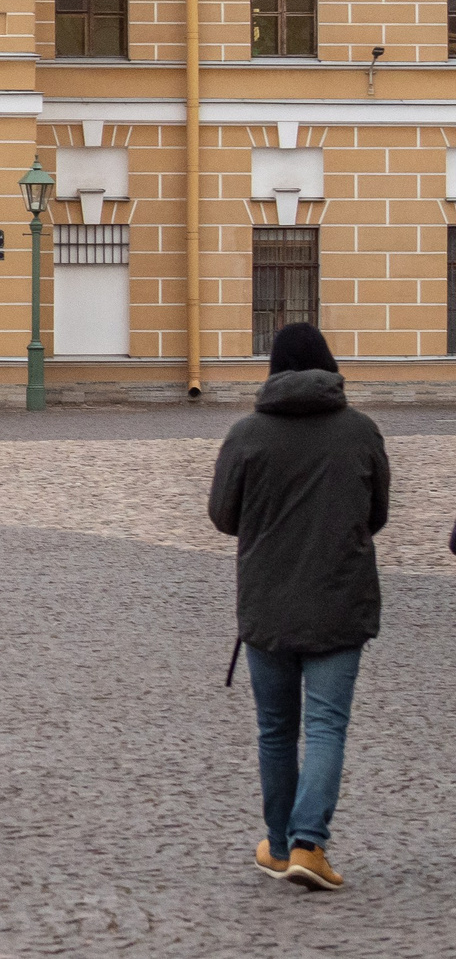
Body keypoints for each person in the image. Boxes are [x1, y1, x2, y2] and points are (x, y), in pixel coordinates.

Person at [208, 322, 390, 892]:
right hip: (339, 601)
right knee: (327, 724)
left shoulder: (247, 434)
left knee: (276, 730)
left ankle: (280, 843)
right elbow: (377, 513)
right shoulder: (361, 431)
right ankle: (310, 846)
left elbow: (222, 516)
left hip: (267, 605)